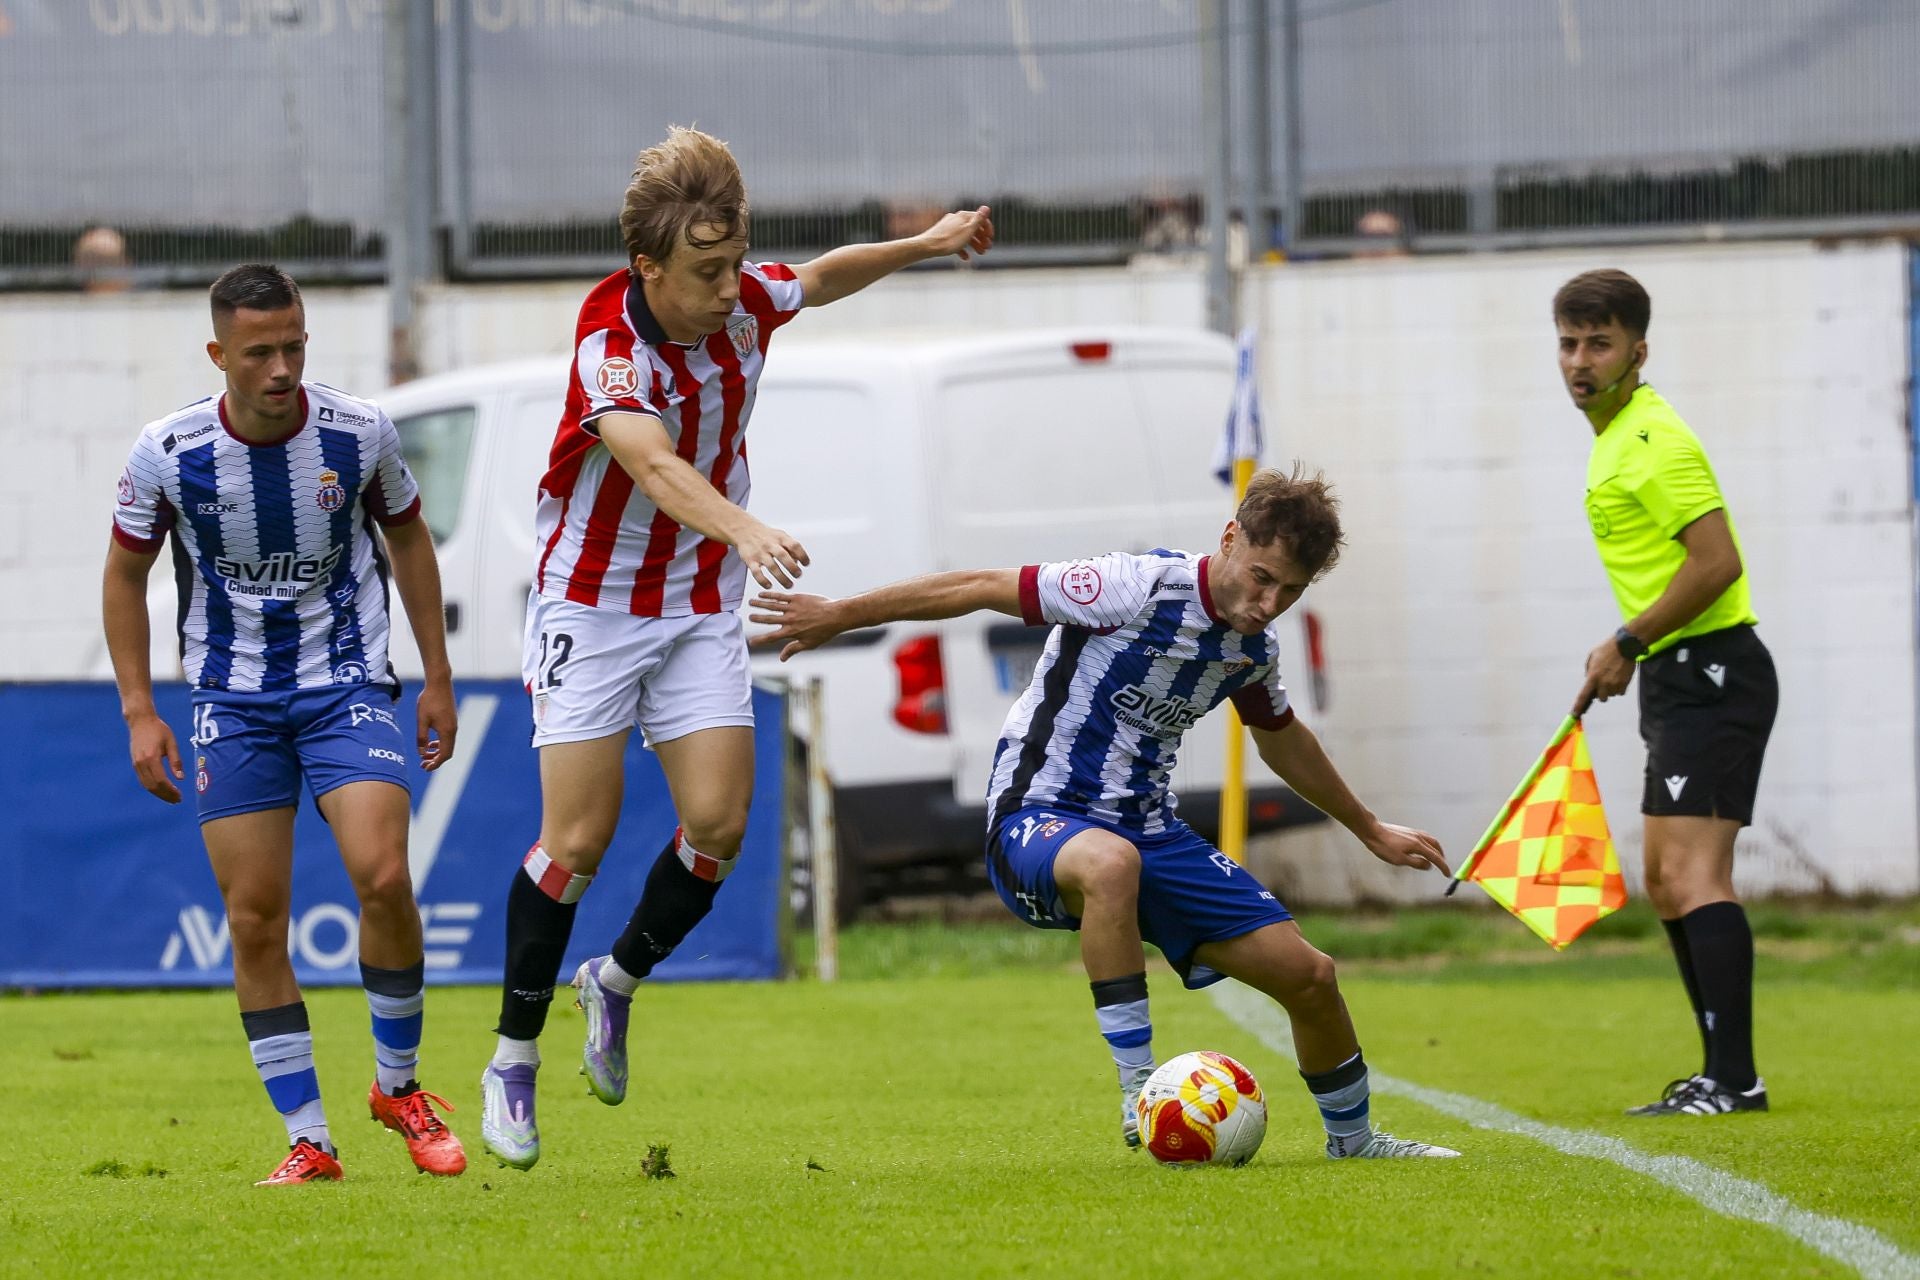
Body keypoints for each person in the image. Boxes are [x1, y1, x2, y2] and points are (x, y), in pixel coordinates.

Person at [480, 125, 995, 1170]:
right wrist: (746, 529)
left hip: (697, 603)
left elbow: (819, 278)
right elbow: (653, 465)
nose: (730, 289)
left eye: (734, 264)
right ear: (647, 267)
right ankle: (511, 1060)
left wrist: (928, 243)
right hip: (592, 604)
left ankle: (614, 982)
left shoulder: (746, 298)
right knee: (576, 842)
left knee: (717, 825)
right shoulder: (610, 345)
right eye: (706, 272)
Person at [750, 467, 1460, 1160]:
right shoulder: (1132, 586)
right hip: (1038, 815)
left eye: (1291, 591)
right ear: (1229, 539)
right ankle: (1137, 1092)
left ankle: (1355, 1141)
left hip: (1150, 831)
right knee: (1109, 862)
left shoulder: (1251, 651)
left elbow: (1281, 739)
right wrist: (839, 614)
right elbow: (976, 586)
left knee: (1311, 976)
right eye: (1261, 577)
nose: (1269, 602)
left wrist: (1370, 829)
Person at [101, 264, 466, 1184]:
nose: (281, 369)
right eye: (259, 352)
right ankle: (309, 1138)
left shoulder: (358, 432)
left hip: (346, 682)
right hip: (231, 699)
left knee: (385, 874)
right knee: (255, 919)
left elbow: (410, 538)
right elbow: (123, 576)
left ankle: (398, 1087)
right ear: (218, 353)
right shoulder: (166, 452)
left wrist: (436, 675)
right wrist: (139, 709)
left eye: (294, 347)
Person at [1556, 268, 1777, 1117]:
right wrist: (1634, 649)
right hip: (1677, 674)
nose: (1581, 361)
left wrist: (1627, 641)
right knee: (1664, 876)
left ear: (1637, 352)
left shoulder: (1653, 439)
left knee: (1694, 873)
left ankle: (1735, 1080)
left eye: (1599, 343)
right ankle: (1718, 1072)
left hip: (1714, 670)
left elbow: (1718, 562)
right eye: (1569, 344)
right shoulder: (1614, 438)